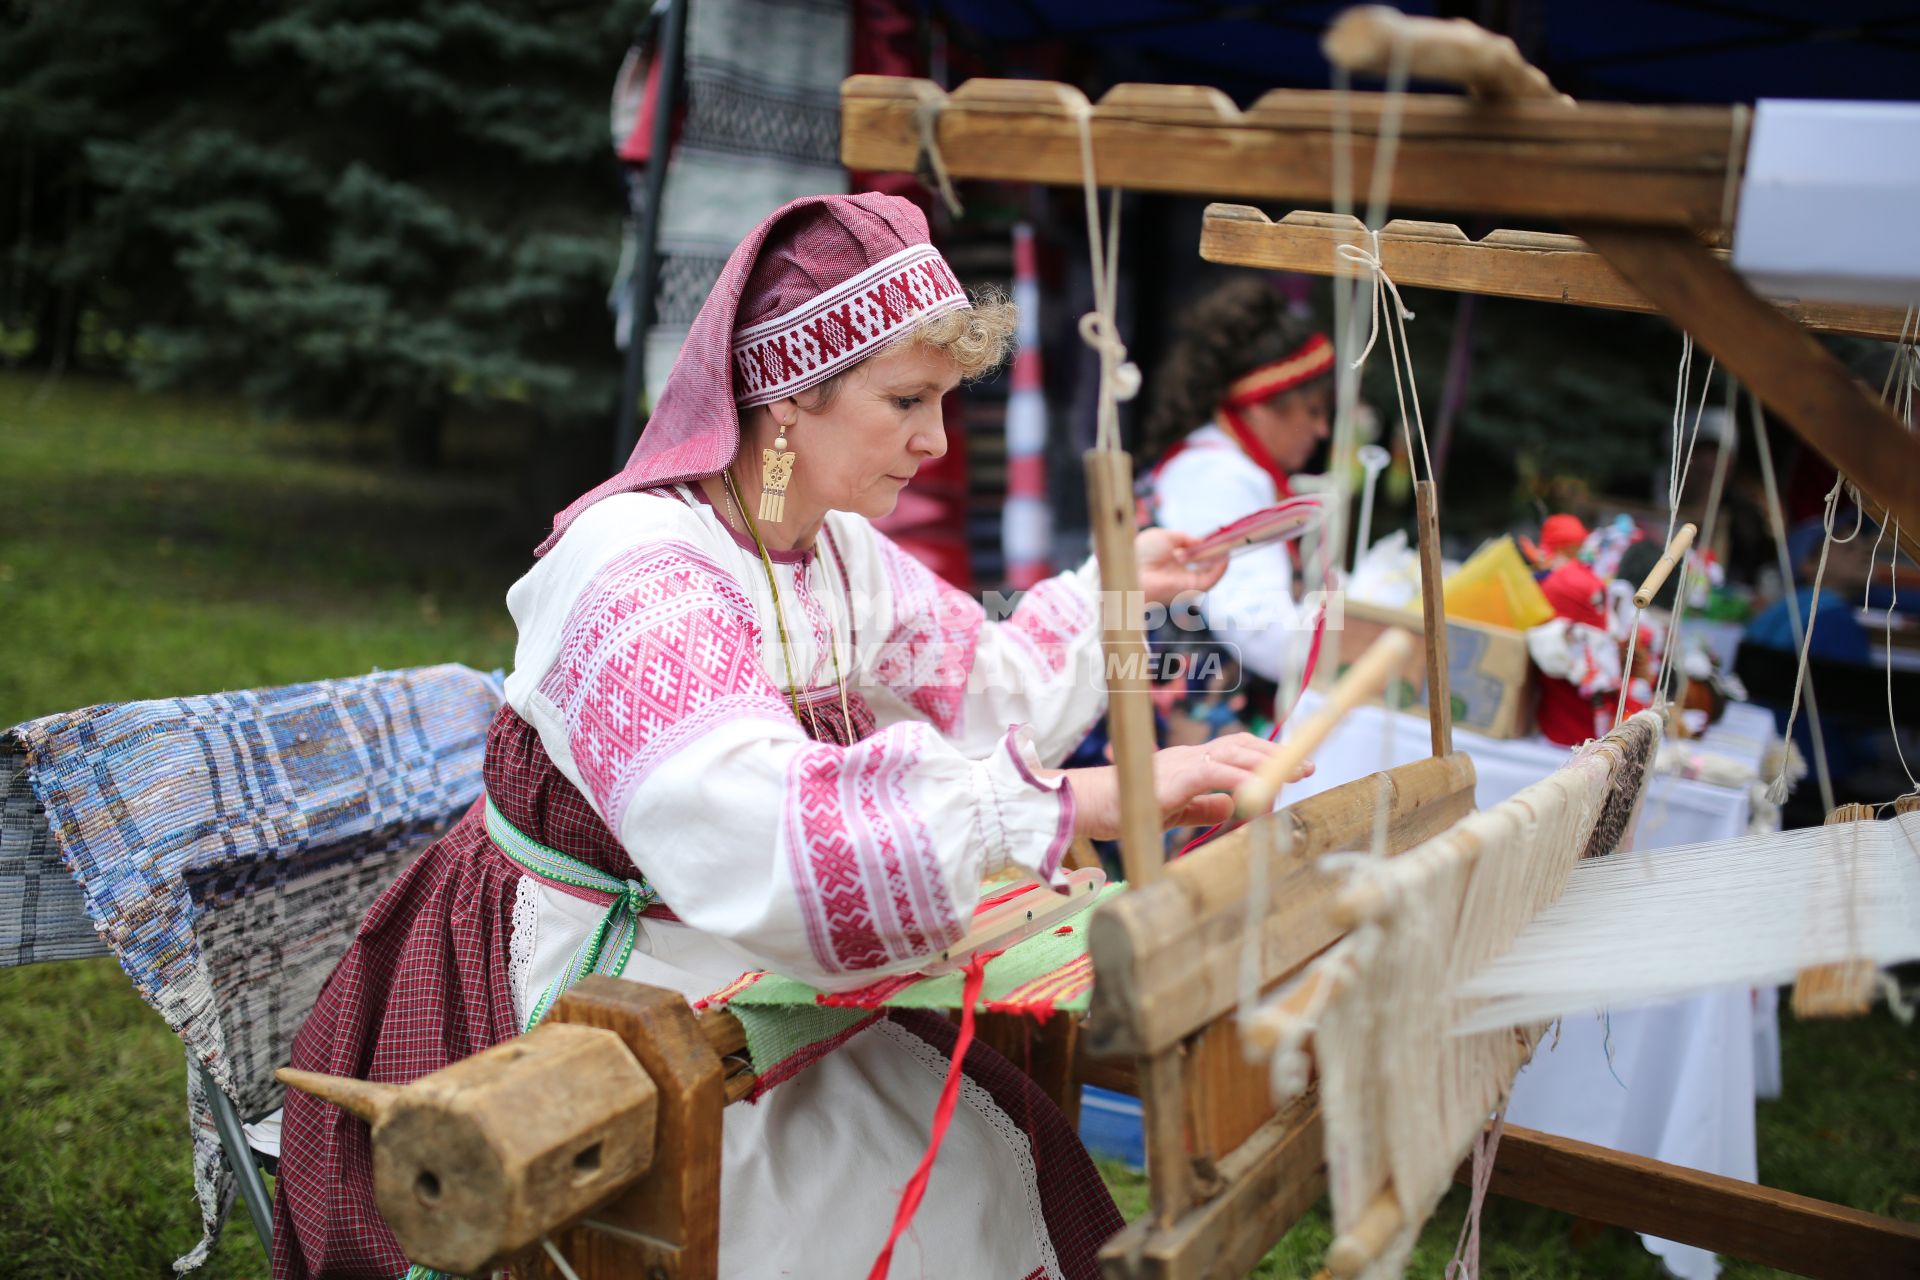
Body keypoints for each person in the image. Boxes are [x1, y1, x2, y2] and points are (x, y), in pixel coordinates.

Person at [272, 193, 1303, 1280]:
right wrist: (1073, 802)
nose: (934, 439)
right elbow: (765, 834)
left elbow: (990, 689)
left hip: (742, 951)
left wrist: (1123, 586)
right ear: (783, 398)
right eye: (906, 399)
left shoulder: (833, 550)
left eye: (944, 401)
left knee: (986, 1154)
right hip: (593, 981)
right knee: (842, 1203)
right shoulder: (638, 569)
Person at [1140, 278, 1335, 725]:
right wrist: (1354, 650)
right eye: (1314, 409)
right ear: (1262, 403)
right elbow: (1262, 633)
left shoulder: (1207, 461)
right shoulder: (1222, 477)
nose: (1322, 430)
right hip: (1188, 738)